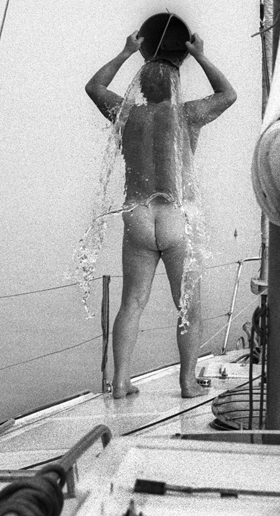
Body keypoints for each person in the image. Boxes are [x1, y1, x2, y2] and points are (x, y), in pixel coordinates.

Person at [84, 30, 236, 398]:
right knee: (188, 307)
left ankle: (121, 382)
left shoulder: (126, 114)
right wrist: (199, 55)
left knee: (132, 303)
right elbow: (228, 94)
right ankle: (187, 382)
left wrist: (126, 51)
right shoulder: (187, 114)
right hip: (174, 216)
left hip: (137, 214)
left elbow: (94, 87)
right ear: (175, 86)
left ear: (141, 86)